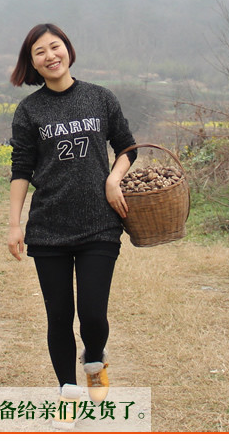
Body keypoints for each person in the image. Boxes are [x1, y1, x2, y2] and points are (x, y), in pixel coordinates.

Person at [7, 23, 137, 429]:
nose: (50, 56)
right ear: (32, 64)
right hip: (48, 230)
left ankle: (94, 359)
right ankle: (67, 391)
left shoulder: (100, 98)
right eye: (39, 53)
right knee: (59, 317)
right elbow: (20, 170)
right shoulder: (29, 111)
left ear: (68, 50)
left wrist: (113, 179)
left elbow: (127, 147)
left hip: (100, 224)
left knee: (92, 314)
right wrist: (15, 224)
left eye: (55, 47)